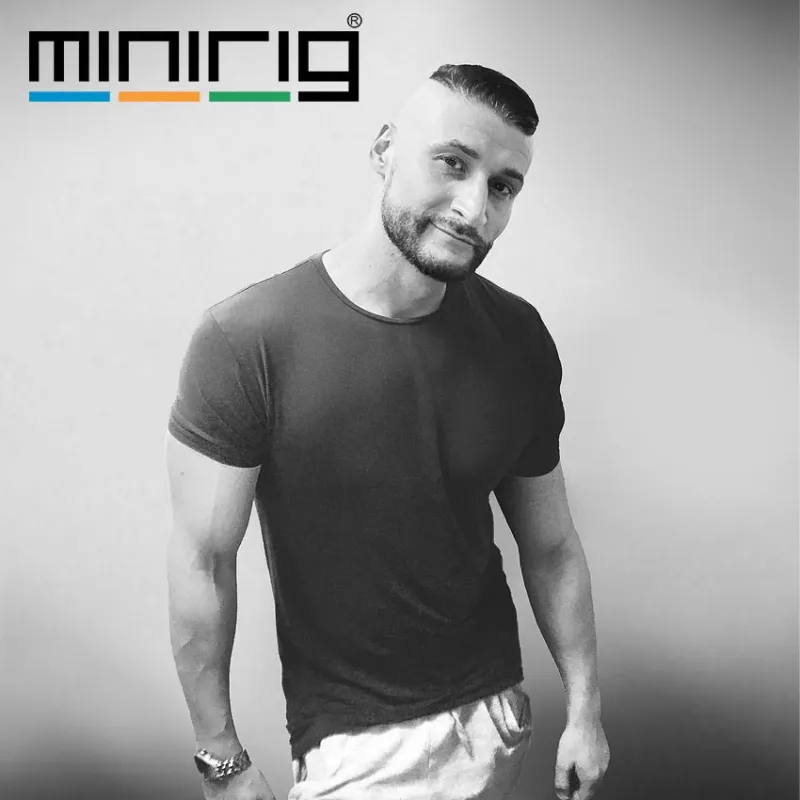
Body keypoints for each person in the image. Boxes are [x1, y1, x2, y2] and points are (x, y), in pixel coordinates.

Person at [165, 63, 610, 800]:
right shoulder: (247, 340)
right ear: (383, 151)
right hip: (357, 748)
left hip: (498, 717)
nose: (474, 208)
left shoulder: (517, 336)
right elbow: (203, 563)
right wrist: (222, 763)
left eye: (502, 186)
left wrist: (586, 710)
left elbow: (553, 547)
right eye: (453, 164)